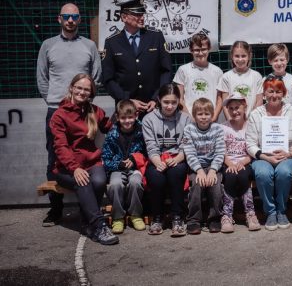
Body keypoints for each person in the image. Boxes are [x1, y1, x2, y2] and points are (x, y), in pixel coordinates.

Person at [37, 3, 102, 227]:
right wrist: (54, 100)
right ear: (59, 19)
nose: (70, 20)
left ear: (80, 19)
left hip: (83, 110)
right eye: (66, 17)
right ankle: (56, 210)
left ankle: (88, 208)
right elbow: (42, 77)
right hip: (56, 108)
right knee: (54, 157)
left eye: (74, 16)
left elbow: (96, 76)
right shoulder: (48, 45)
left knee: (84, 152)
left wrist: (84, 100)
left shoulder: (89, 45)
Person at [49, 74, 117, 245]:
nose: (82, 92)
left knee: (99, 181)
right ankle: (100, 226)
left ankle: (87, 224)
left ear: (91, 93)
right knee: (83, 182)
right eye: (79, 87)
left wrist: (128, 117)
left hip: (92, 162)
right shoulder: (59, 115)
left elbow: (110, 127)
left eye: (86, 89)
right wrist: (75, 168)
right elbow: (60, 147)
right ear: (71, 88)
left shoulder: (95, 111)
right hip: (66, 168)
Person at [246, 76, 292, 230]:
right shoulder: (256, 114)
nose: (274, 95)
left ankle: (281, 210)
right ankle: (270, 211)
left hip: (287, 156)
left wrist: (289, 153)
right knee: (263, 173)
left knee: (284, 172)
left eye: (278, 91)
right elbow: (250, 143)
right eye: (270, 91)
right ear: (264, 94)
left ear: (284, 93)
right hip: (263, 157)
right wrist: (264, 156)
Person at [102, 0, 172, 115]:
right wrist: (126, 99)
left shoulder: (156, 37)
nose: (142, 17)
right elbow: (108, 78)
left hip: (153, 106)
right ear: (124, 17)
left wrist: (157, 97)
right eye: (137, 14)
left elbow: (166, 71)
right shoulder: (112, 42)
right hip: (126, 109)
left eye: (142, 14)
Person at [142, 83, 192, 236]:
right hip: (157, 158)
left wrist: (178, 158)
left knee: (176, 173)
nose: (170, 106)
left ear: (179, 101)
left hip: (178, 157)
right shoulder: (149, 119)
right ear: (159, 100)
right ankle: (157, 218)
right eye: (166, 102)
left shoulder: (186, 119)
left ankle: (177, 217)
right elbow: (151, 145)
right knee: (156, 177)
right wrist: (158, 162)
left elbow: (187, 144)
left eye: (173, 102)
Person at [180, 98, 225, 235]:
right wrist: (199, 171)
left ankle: (214, 218)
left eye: (207, 114)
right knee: (197, 185)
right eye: (200, 114)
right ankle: (194, 219)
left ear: (212, 115)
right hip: (196, 167)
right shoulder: (189, 129)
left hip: (213, 166)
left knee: (215, 185)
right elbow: (189, 153)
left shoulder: (218, 129)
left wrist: (212, 171)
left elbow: (220, 152)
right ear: (194, 115)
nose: (203, 117)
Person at [101, 100, 147, 234]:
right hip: (117, 169)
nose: (127, 121)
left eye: (130, 117)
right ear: (117, 117)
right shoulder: (112, 135)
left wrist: (135, 159)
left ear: (136, 115)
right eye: (123, 118)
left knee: (136, 182)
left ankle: (135, 215)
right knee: (115, 184)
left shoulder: (142, 132)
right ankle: (118, 217)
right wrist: (118, 164)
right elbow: (105, 159)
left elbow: (148, 153)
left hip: (135, 168)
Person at [221, 93, 261, 232]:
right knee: (230, 176)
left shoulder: (251, 126)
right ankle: (227, 215)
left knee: (243, 175)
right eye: (231, 108)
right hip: (228, 162)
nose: (234, 111)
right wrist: (230, 164)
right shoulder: (223, 127)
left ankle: (250, 213)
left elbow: (253, 150)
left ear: (244, 106)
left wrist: (243, 162)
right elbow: (221, 151)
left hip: (246, 161)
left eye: (237, 107)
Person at [173, 32, 223, 119]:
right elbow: (179, 98)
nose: (200, 53)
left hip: (210, 119)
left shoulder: (217, 71)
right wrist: (189, 118)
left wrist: (214, 117)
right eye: (196, 50)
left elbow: (220, 99)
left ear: (209, 49)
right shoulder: (183, 70)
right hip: (189, 119)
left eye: (203, 49)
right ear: (191, 50)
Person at [217, 40, 263, 119]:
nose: (240, 59)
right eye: (237, 56)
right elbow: (225, 104)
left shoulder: (256, 76)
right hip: (233, 122)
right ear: (232, 56)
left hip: (251, 121)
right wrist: (231, 122)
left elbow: (259, 101)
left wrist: (251, 121)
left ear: (249, 56)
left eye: (243, 56)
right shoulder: (226, 77)